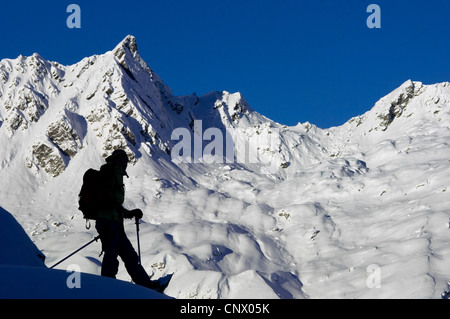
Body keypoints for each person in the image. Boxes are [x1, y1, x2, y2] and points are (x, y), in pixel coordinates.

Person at [95, 149, 161, 290]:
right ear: (117, 160)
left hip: (114, 222)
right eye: (123, 160)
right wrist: (126, 213)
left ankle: (145, 285)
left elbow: (114, 204)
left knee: (129, 255)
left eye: (126, 160)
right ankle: (107, 286)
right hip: (108, 222)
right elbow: (109, 202)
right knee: (112, 254)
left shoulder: (117, 174)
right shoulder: (109, 173)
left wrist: (129, 213)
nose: (125, 163)